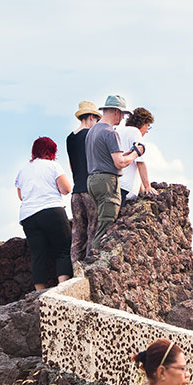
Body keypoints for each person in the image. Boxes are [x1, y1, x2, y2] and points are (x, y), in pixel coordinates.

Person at [86, 94, 144, 252]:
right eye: (123, 114)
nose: (123, 118)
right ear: (117, 112)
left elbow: (107, 158)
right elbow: (119, 162)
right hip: (107, 182)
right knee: (107, 224)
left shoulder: (92, 132)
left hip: (92, 180)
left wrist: (128, 154)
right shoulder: (110, 133)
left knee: (100, 221)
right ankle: (97, 264)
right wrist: (136, 153)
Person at [15, 137, 74, 291]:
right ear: (52, 151)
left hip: (28, 215)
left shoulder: (23, 170)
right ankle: (63, 287)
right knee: (63, 248)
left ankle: (39, 291)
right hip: (51, 210)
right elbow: (66, 189)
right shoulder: (53, 166)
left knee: (38, 254)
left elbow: (21, 196)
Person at [66, 101, 101, 263]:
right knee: (93, 229)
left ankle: (75, 269)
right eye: (97, 119)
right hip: (90, 190)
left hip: (76, 192)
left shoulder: (70, 138)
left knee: (77, 233)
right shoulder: (91, 135)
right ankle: (88, 268)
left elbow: (72, 167)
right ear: (91, 117)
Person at [117, 107, 158, 203]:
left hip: (117, 184)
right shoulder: (135, 132)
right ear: (142, 123)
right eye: (148, 126)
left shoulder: (120, 131)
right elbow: (140, 162)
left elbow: (134, 166)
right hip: (125, 188)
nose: (147, 130)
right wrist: (148, 187)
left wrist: (142, 191)